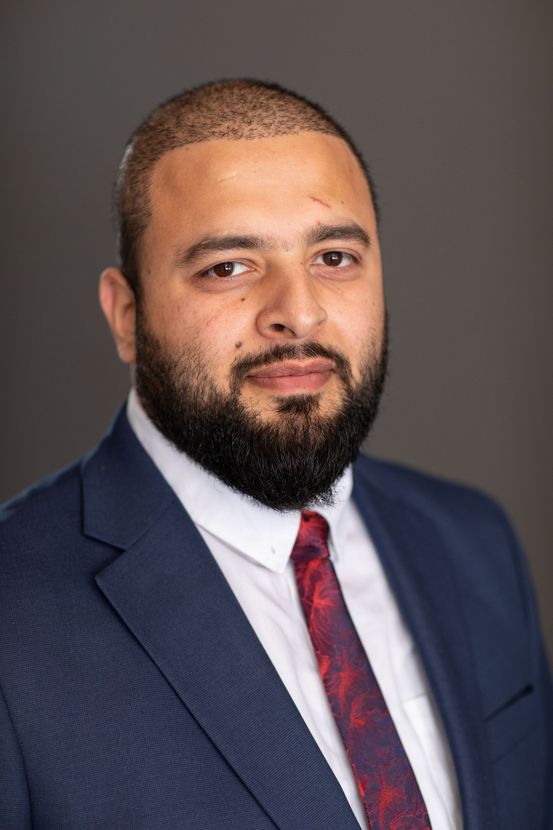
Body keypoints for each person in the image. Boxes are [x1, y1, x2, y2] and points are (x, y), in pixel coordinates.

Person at [0, 79, 550, 830]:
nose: (296, 312)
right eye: (228, 266)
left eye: (333, 256)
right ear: (126, 315)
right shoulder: (14, 617)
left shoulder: (471, 540)